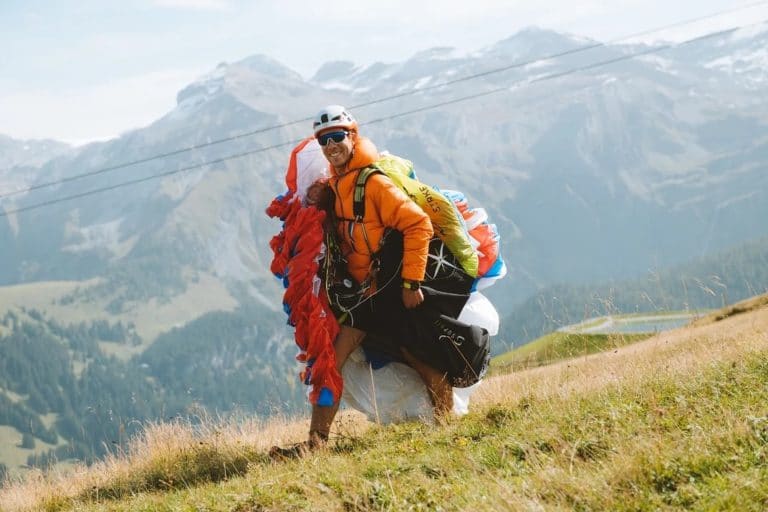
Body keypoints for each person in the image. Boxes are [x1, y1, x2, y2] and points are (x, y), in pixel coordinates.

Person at [270, 105, 459, 458]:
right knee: (331, 360)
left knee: (422, 358)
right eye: (324, 140)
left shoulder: (374, 183)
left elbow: (418, 224)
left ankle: (448, 430)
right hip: (365, 297)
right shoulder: (340, 183)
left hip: (393, 291)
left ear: (353, 136)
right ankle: (315, 445)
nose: (331, 145)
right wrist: (322, 197)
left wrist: (411, 283)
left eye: (337, 136)